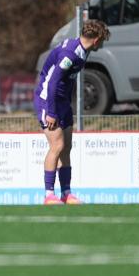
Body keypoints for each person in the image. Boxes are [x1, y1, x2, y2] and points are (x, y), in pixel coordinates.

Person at [35, 19, 110, 204]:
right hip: (48, 101)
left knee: (66, 148)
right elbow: (52, 83)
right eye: (103, 40)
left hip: (62, 103)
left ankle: (66, 193)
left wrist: (67, 104)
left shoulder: (82, 51)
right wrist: (51, 112)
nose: (102, 44)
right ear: (96, 39)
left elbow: (67, 80)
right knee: (57, 146)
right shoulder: (70, 54)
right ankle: (48, 195)